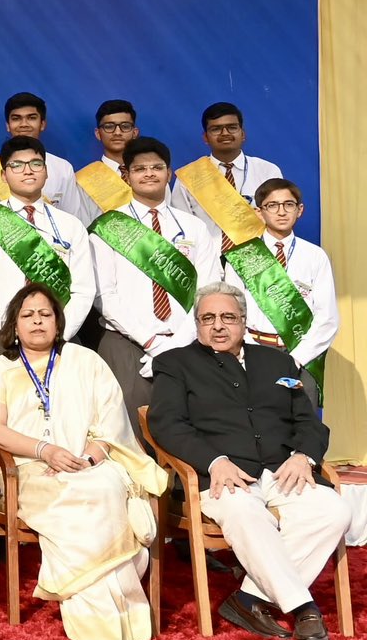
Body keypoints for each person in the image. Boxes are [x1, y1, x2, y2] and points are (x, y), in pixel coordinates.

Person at [149, 284, 346, 640]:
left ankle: (249, 599)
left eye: (228, 318)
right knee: (245, 514)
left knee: (332, 510)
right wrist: (213, 460)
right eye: (208, 319)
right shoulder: (175, 364)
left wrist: (304, 455)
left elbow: (308, 422)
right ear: (197, 324)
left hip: (283, 469)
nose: (218, 326)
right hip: (224, 475)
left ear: (244, 321)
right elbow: (167, 424)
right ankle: (304, 608)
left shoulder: (278, 362)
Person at [0, 283, 166, 640]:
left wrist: (87, 460)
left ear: (58, 323)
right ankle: (104, 616)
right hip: (30, 469)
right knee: (82, 497)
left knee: (104, 487)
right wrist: (45, 451)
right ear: (14, 325)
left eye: (45, 314)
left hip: (90, 462)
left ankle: (105, 604)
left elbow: (111, 423)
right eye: (27, 315)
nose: (36, 322)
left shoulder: (86, 361)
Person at [88, 137, 221, 422]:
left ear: (168, 173)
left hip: (187, 341)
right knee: (128, 427)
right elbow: (104, 296)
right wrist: (152, 343)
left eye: (156, 167)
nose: (149, 173)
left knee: (192, 423)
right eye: (139, 168)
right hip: (126, 342)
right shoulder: (108, 227)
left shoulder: (194, 227)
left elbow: (208, 291)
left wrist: (176, 343)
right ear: (126, 175)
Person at [0, 136, 97, 374]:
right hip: (0, 339)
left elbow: (84, 290)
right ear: (4, 175)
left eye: (36, 164)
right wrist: (20, 330)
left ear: (46, 172)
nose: (28, 171)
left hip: (61, 340)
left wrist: (56, 332)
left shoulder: (70, 225)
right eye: (17, 165)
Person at [224, 179, 337, 399]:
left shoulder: (315, 256)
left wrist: (296, 358)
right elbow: (232, 313)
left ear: (300, 210)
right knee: (260, 426)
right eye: (272, 205)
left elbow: (327, 318)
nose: (281, 212)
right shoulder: (242, 256)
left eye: (289, 204)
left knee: (303, 428)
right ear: (259, 212)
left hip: (302, 356)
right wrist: (251, 354)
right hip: (253, 353)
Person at [171, 102, 286, 246]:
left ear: (242, 134)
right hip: (207, 260)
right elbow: (182, 227)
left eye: (232, 127)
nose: (225, 133)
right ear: (205, 137)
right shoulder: (189, 176)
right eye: (216, 129)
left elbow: (281, 219)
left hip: (259, 259)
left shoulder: (268, 171)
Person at [0, 92, 97, 222]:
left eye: (31, 118)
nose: (24, 124)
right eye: (16, 118)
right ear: (7, 125)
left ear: (42, 124)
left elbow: (74, 218)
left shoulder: (62, 168)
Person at [76, 99, 140, 215]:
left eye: (125, 126)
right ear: (98, 134)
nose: (117, 132)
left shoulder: (152, 174)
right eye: (109, 127)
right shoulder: (84, 179)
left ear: (135, 133)